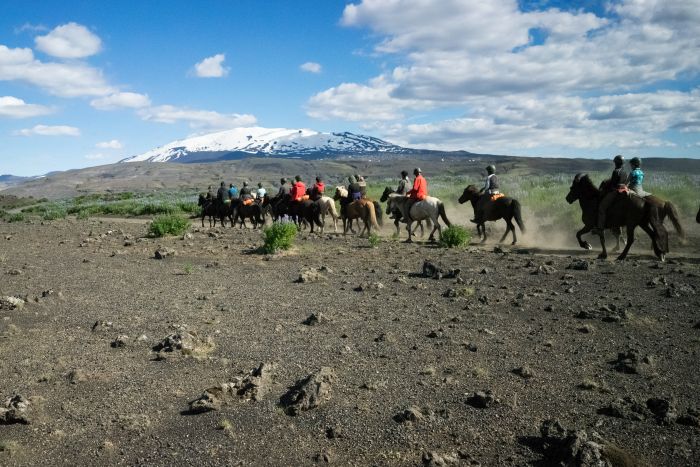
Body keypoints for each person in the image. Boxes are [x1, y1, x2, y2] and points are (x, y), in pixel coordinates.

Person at [595, 155, 628, 234]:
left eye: (615, 162)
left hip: (615, 191)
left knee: (601, 208)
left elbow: (612, 185)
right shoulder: (624, 172)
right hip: (624, 190)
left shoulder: (615, 171)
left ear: (616, 163)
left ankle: (600, 228)